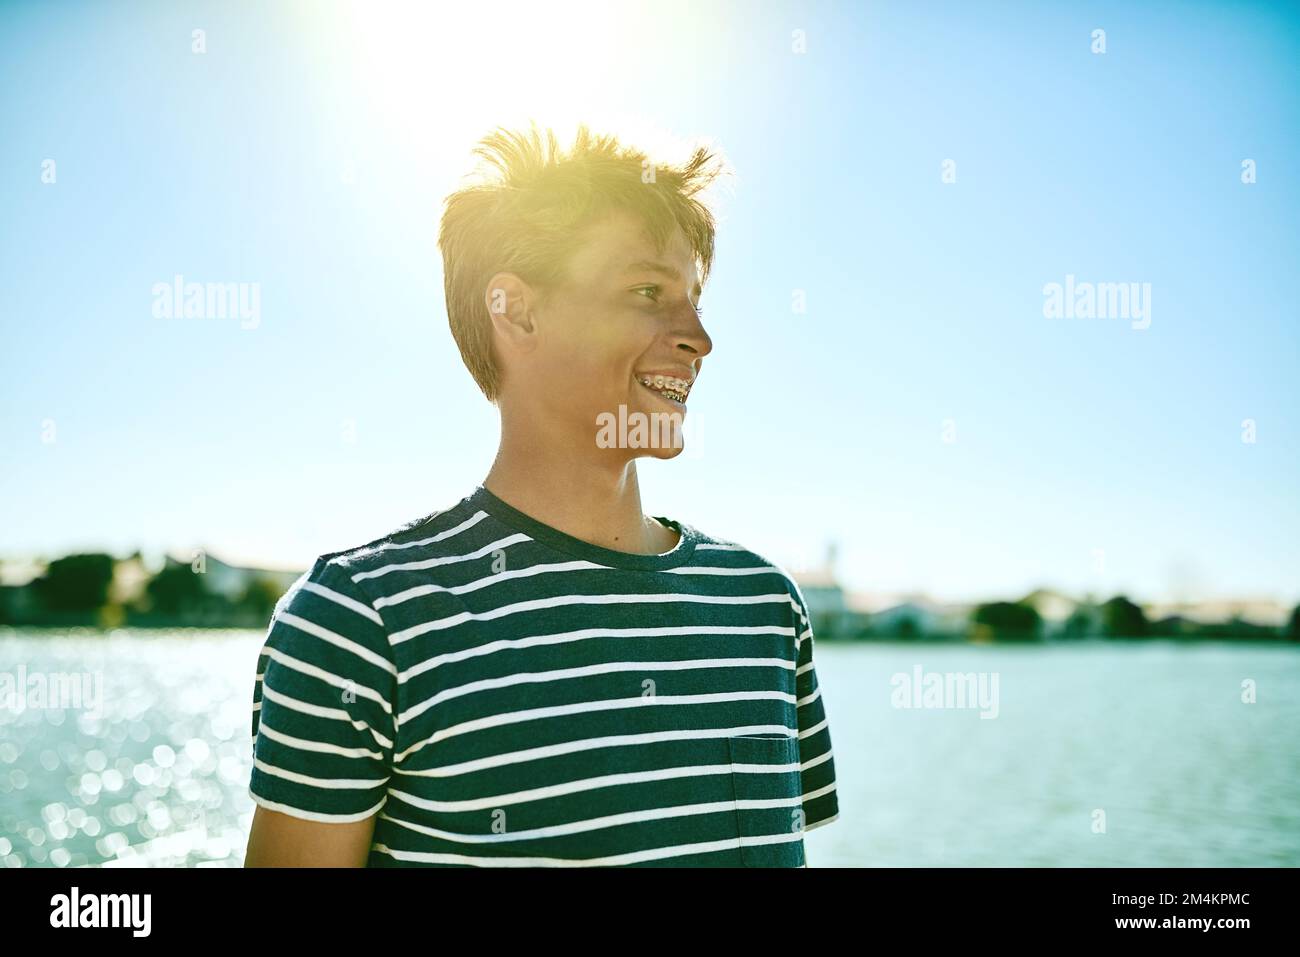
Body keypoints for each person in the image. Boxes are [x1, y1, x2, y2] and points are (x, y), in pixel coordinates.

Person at [244, 122, 839, 867]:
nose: (698, 337)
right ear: (518, 311)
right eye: (649, 291)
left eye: (694, 298)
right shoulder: (360, 619)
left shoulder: (763, 605)